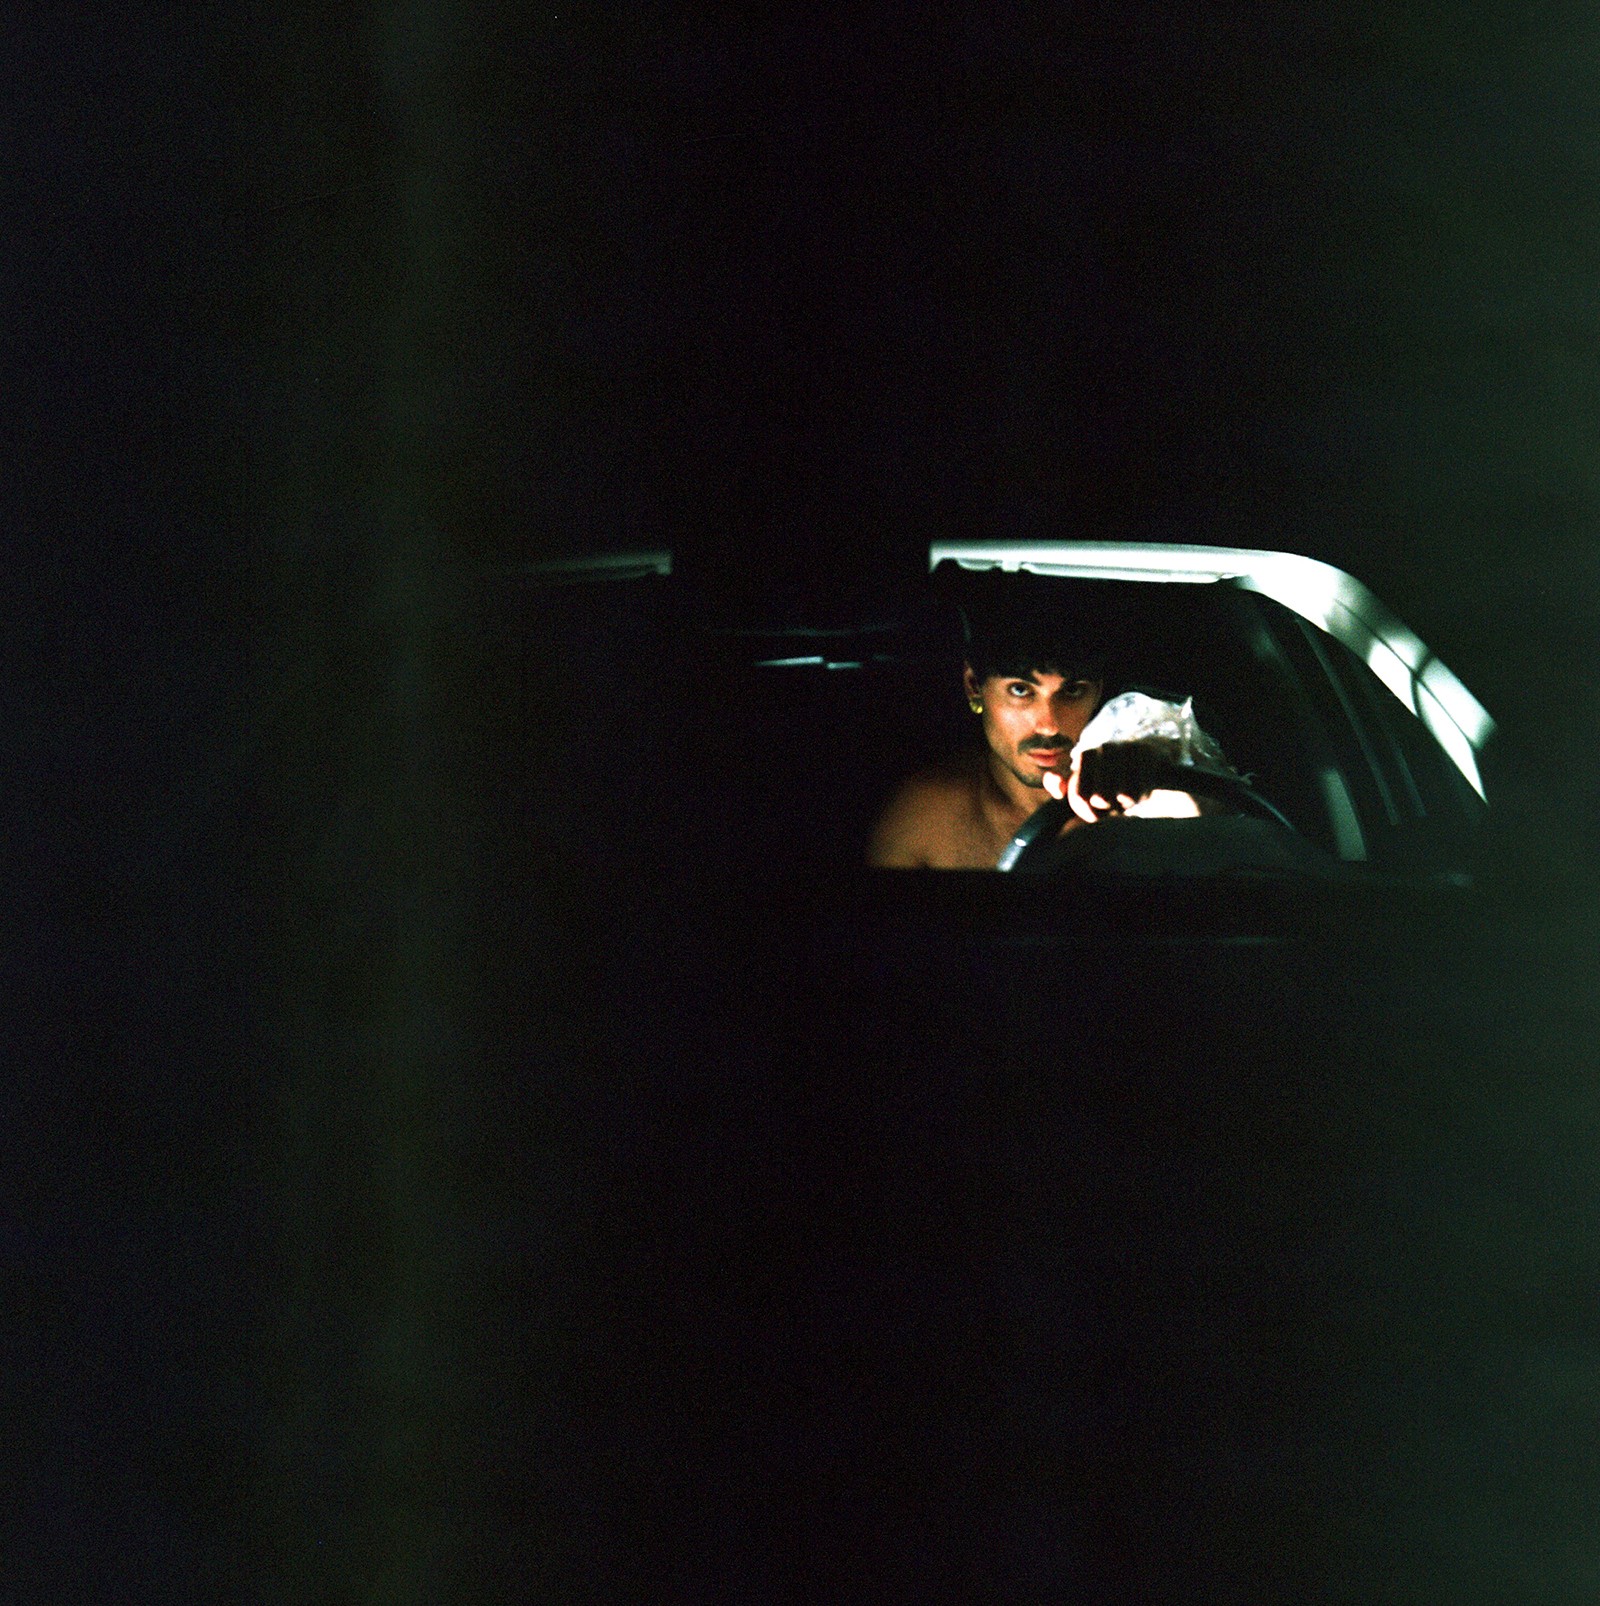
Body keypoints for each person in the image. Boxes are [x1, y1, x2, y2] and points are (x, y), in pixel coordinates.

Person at [867, 589, 1217, 869]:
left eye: (1072, 691)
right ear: (974, 686)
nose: (1049, 725)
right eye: (1021, 691)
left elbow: (1225, 826)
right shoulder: (926, 816)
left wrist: (1165, 777)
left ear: (1097, 692)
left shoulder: (1140, 793)